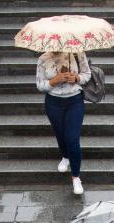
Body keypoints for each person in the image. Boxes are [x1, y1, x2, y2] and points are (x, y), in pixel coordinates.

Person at [36, 51, 91, 195]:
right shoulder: (43, 58)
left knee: (72, 139)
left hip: (75, 102)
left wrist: (76, 77)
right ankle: (65, 156)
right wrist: (54, 81)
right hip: (53, 103)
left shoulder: (77, 53)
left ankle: (76, 177)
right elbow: (40, 85)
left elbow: (87, 74)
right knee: (61, 136)